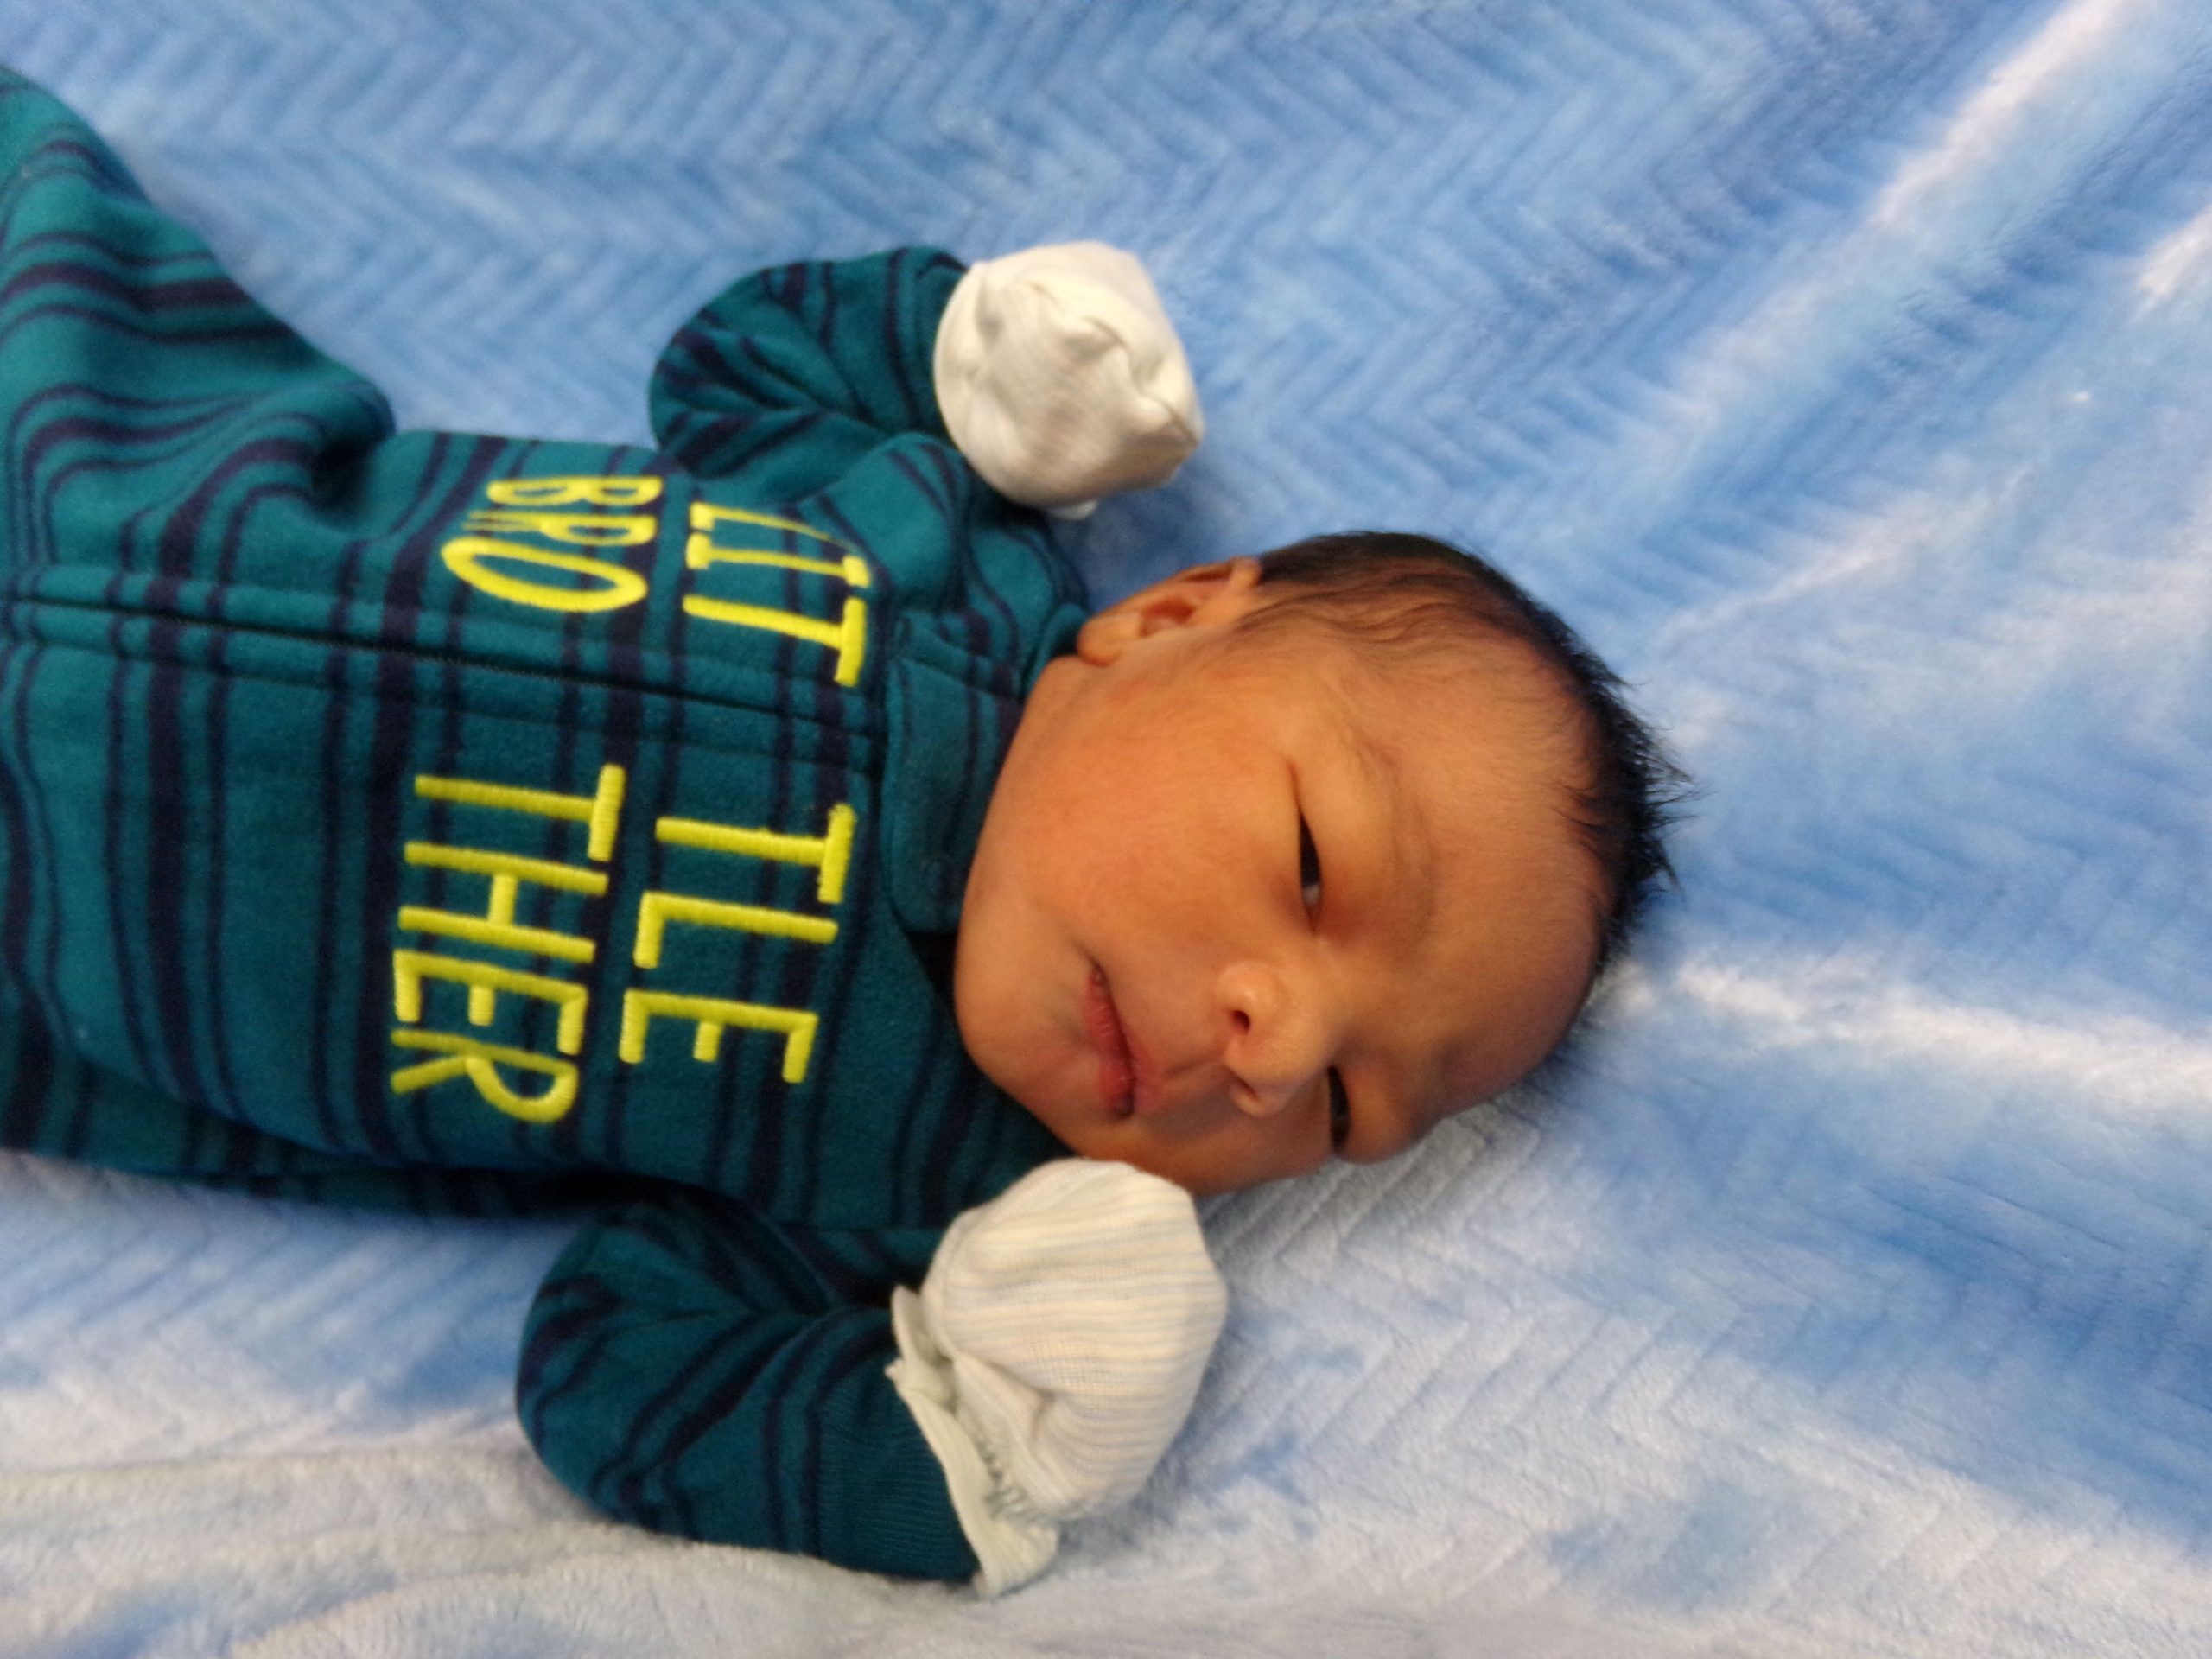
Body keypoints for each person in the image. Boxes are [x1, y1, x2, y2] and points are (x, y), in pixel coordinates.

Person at [0, 68, 1684, 1592]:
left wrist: (966, 1436)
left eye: (1347, 1107)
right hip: (128, 435)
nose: (1276, 1045)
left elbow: (609, 1373)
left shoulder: (907, 1184)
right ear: (1166, 619)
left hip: (60, 955)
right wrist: (973, 355)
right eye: (1315, 869)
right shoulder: (940, 542)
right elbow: (737, 365)